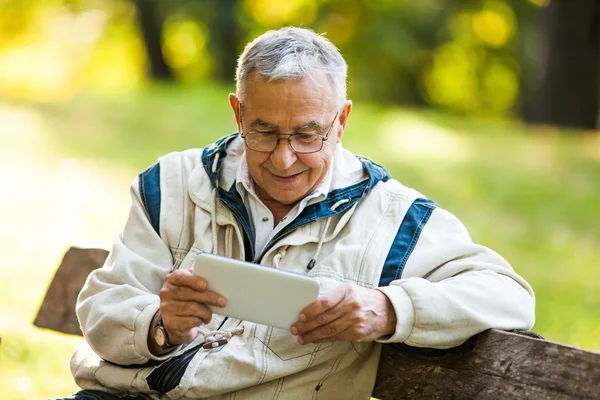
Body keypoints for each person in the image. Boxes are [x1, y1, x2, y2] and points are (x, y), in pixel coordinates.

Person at [62, 27, 535, 400]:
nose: (284, 159)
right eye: (264, 132)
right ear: (238, 113)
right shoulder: (170, 183)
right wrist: (160, 324)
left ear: (342, 121)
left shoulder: (394, 220)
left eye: (308, 136)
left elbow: (510, 297)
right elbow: (104, 305)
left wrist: (390, 309)